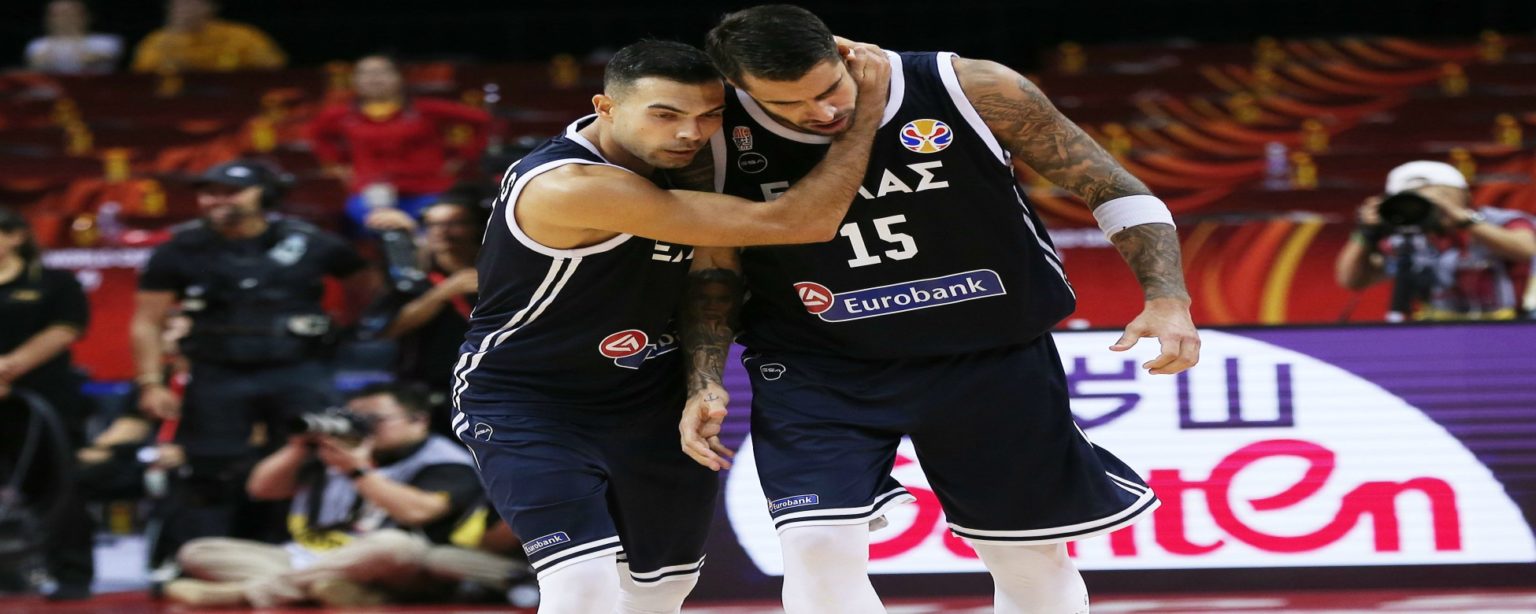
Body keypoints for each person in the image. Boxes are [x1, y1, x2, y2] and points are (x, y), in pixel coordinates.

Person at [678, 7, 1201, 613]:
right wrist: (704, 378)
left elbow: (1109, 185)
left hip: (988, 353)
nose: (819, 112)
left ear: (842, 52)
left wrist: (1168, 299)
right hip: (817, 362)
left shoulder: (968, 85)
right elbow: (713, 267)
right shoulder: (714, 133)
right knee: (815, 544)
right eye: (787, 104)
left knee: (1028, 557)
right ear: (738, 88)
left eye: (828, 90)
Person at [451, 39, 888, 613]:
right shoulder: (570, 184)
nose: (690, 132)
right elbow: (799, 221)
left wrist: (703, 383)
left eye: (709, 115)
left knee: (661, 590)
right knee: (581, 583)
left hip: (648, 398)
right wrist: (868, 109)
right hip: (530, 400)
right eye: (665, 114)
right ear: (606, 108)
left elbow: (711, 277)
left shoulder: (690, 165)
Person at [131, 159, 375, 555]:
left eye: (232, 192)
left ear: (266, 195)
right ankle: (208, 555)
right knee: (210, 468)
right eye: (210, 192)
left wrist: (343, 326)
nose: (217, 200)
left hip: (298, 368)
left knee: (318, 453)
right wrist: (150, 382)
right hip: (217, 372)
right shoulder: (179, 249)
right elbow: (147, 321)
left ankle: (311, 549)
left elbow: (368, 287)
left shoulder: (310, 242)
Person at [163, 383, 519, 607]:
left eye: (374, 420)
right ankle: (334, 589)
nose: (362, 427)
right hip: (316, 558)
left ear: (418, 420)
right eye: (353, 418)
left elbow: (417, 514)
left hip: (398, 565)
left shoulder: (446, 460)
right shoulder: (332, 449)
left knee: (394, 544)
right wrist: (297, 447)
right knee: (198, 551)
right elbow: (261, 489)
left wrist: (357, 470)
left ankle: (244, 594)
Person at [0, 206, 95, 600]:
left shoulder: (55, 283)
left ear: (15, 236)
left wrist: (8, 367)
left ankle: (71, 574)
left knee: (56, 484)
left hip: (43, 397)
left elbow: (65, 329)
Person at [307, 55, 492, 230]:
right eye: (365, 73)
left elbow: (483, 120)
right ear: (354, 80)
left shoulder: (426, 109)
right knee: (372, 222)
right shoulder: (341, 115)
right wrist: (338, 163)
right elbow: (317, 134)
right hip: (372, 194)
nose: (374, 79)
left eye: (382, 72)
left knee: (438, 223)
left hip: (427, 190)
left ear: (399, 77)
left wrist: (463, 157)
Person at [1335, 160, 1536, 320]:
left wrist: (1463, 220)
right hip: (1436, 329)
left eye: (1440, 195)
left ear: (1464, 194)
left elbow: (1527, 250)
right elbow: (1352, 280)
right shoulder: (1406, 236)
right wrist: (1366, 232)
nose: (1427, 205)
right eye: (1412, 200)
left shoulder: (1501, 221)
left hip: (1506, 327)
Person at [369, 188, 491, 432]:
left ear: (478, 227)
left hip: (490, 384)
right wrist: (443, 293)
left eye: (454, 223)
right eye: (433, 225)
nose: (441, 232)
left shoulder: (499, 273)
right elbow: (388, 329)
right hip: (431, 388)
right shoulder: (414, 278)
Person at [130, 0, 285, 73]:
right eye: (178, 4)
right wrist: (172, 36)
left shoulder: (243, 36)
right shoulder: (156, 41)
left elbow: (274, 69)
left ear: (211, 6)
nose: (185, 8)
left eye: (192, 2)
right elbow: (143, 79)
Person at [25, 0, 123, 75]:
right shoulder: (38, 44)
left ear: (86, 16)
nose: (65, 19)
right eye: (57, 15)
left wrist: (74, 35)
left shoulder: (107, 41)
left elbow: (89, 60)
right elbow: (36, 63)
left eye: (70, 13)